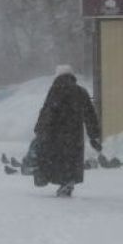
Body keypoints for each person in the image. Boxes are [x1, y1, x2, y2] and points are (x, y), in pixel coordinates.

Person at [33, 65, 102, 197]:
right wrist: (94, 135)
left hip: (57, 133)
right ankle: (69, 182)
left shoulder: (56, 90)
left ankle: (63, 183)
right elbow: (90, 115)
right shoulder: (81, 91)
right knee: (72, 159)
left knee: (58, 159)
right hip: (75, 134)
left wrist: (40, 129)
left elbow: (47, 111)